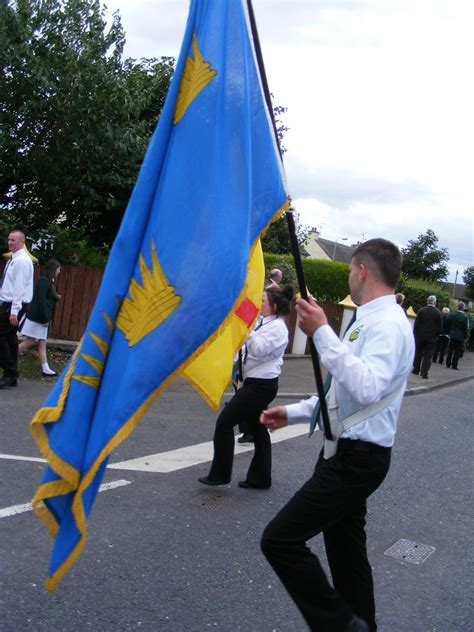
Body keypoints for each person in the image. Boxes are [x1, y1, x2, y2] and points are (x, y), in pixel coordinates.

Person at [259, 238, 414, 632]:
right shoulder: (367, 320)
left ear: (362, 269)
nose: (348, 276)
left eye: (349, 270)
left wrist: (322, 333)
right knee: (346, 553)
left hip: (357, 459)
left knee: (280, 540)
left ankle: (340, 625)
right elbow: (340, 395)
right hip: (344, 450)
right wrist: (292, 413)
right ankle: (361, 625)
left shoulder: (389, 326)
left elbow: (366, 388)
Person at [199, 284, 294, 490]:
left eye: (262, 301)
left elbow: (258, 350)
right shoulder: (263, 322)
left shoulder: (278, 329)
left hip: (261, 385)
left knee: (225, 423)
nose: (258, 303)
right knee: (259, 430)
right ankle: (260, 478)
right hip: (254, 382)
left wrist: (247, 329)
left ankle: (220, 474)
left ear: (274, 306)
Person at [0, 229, 34, 388]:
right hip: (9, 303)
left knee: (2, 336)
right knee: (10, 337)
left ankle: (10, 371)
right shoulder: (14, 259)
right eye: (9, 239)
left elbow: (19, 288)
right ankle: (11, 375)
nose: (10, 242)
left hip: (14, 304)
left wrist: (14, 311)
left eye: (13, 240)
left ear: (22, 241)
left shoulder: (22, 261)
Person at [18, 259, 61, 376]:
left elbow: (50, 298)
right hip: (38, 318)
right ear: (53, 269)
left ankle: (45, 368)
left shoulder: (48, 281)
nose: (59, 271)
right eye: (58, 269)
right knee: (31, 341)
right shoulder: (43, 281)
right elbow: (41, 301)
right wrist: (45, 319)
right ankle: (8, 358)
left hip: (41, 318)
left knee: (42, 342)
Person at [412, 295, 442, 379]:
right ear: (435, 302)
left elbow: (416, 324)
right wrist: (437, 335)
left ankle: (416, 369)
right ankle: (424, 372)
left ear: (427, 301)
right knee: (428, 355)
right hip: (432, 337)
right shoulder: (438, 313)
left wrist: (415, 334)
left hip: (420, 336)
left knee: (418, 353)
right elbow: (440, 327)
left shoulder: (421, 311)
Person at [445, 301, 469, 370]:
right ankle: (454, 366)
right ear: (463, 308)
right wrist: (466, 336)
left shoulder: (452, 315)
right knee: (457, 351)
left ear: (458, 307)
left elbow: (448, 323)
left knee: (450, 349)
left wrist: (450, 332)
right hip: (460, 336)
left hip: (452, 334)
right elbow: (465, 328)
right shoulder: (464, 318)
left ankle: (448, 363)